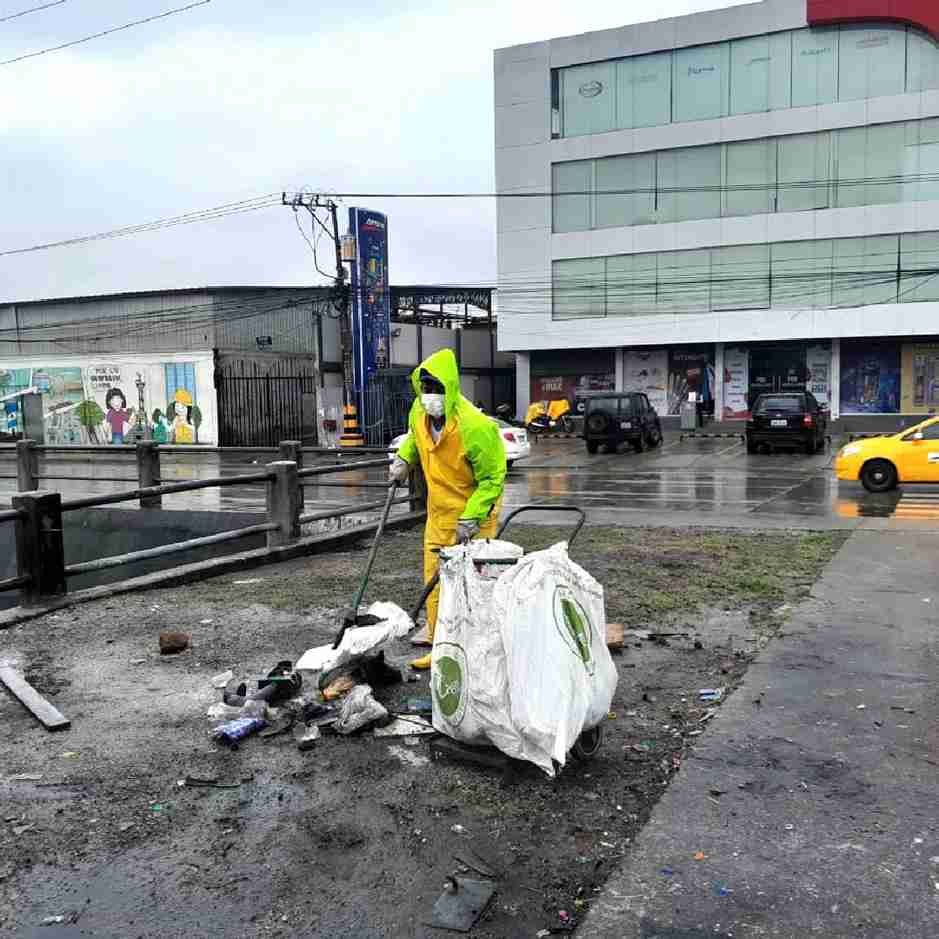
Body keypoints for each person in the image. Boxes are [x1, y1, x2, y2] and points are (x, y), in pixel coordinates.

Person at [390, 349, 507, 669]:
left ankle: (476, 652)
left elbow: (492, 479)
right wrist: (404, 458)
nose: (430, 396)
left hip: (474, 518)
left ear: (451, 388)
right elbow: (415, 438)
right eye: (425, 389)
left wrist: (471, 517)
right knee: (436, 583)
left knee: (472, 586)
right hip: (439, 515)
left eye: (436, 389)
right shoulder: (419, 411)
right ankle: (442, 649)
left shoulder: (476, 427)